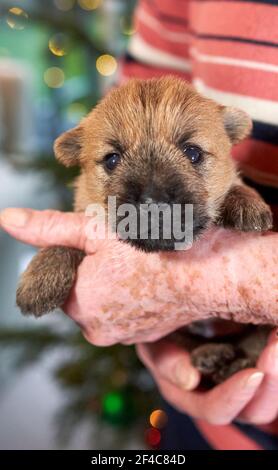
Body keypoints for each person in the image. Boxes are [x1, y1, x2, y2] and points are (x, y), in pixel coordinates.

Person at [1, 0, 278, 450]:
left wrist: (222, 276)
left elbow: (229, 185)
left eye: (191, 155)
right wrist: (65, 255)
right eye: (112, 159)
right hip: (209, 427)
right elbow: (131, 93)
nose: (152, 193)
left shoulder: (226, 171)